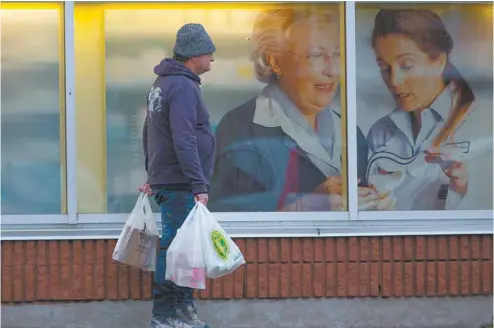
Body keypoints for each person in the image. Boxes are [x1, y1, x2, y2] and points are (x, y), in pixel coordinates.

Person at [209, 7, 393, 212]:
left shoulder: (349, 130)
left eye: (338, 55)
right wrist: (305, 206)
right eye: (317, 56)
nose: (332, 71)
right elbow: (224, 216)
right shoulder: (239, 129)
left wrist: (376, 206)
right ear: (276, 62)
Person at [365, 9, 493, 210]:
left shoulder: (485, 121)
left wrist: (462, 189)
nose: (394, 81)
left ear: (440, 61)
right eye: (384, 68)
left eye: (406, 65)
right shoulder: (380, 132)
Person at [140, 23, 216, 328]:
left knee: (179, 247)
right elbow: (184, 138)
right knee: (177, 248)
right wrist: (198, 184)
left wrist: (152, 172)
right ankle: (169, 315)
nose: (212, 59)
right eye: (210, 53)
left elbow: (150, 133)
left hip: (168, 177)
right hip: (180, 182)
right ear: (195, 53)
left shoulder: (162, 83)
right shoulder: (183, 86)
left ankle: (179, 312)